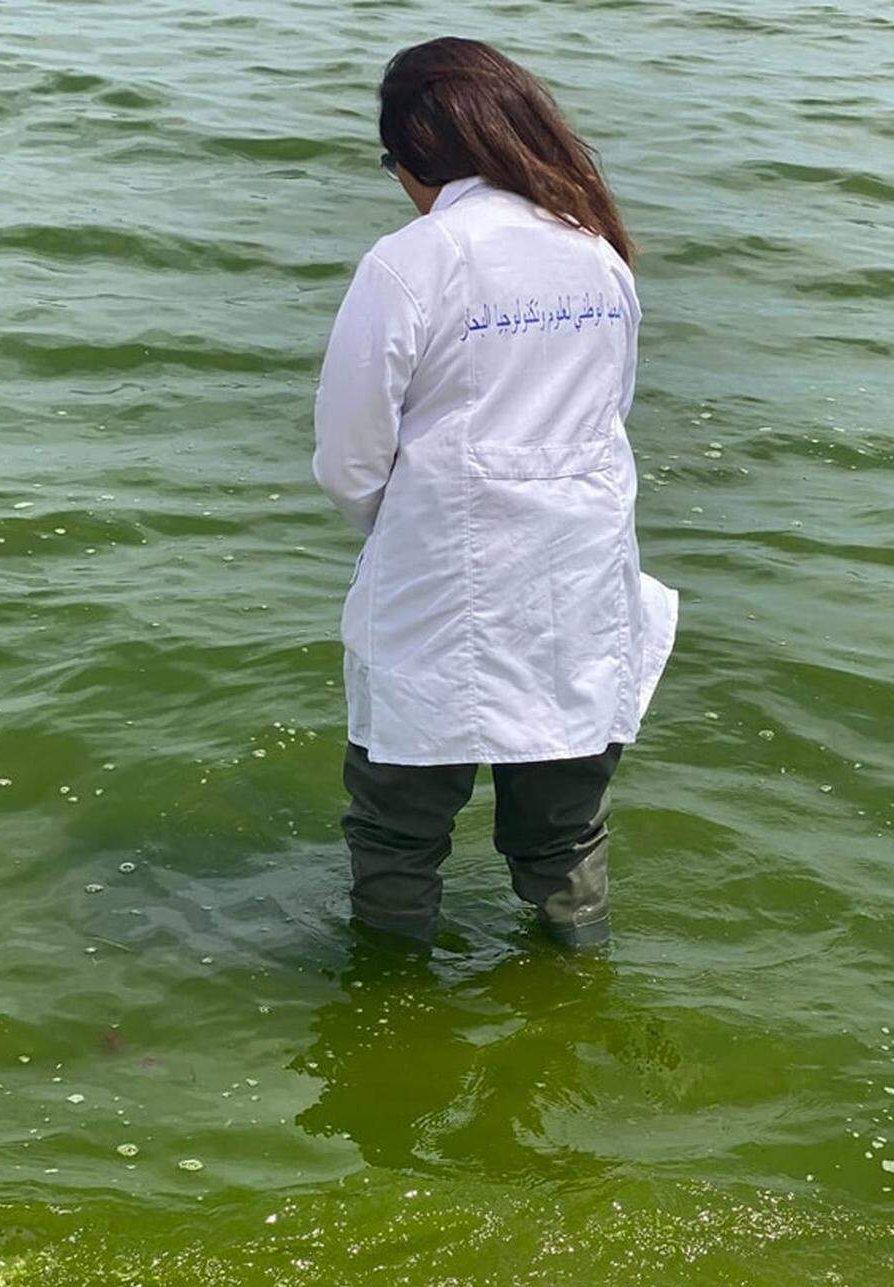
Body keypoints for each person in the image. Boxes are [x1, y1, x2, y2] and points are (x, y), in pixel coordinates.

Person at [312, 36, 678, 951]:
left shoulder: (410, 262)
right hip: (575, 586)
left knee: (398, 834)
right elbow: (607, 417)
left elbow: (349, 461)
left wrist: (409, 528)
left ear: (417, 156)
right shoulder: (598, 255)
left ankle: (390, 1027)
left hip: (438, 589)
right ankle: (573, 1007)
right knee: (563, 834)